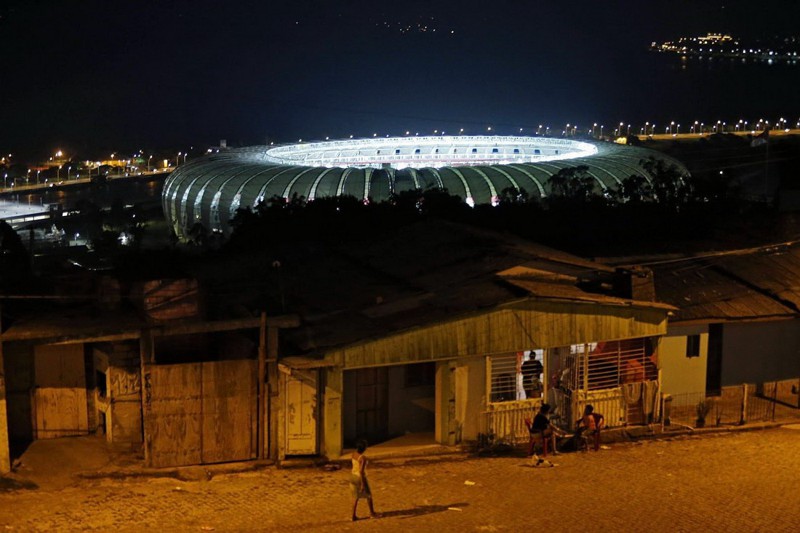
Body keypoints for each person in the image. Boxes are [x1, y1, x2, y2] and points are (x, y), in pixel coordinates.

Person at [350, 440, 379, 521]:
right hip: (360, 477)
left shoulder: (353, 454)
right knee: (369, 496)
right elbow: (361, 471)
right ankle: (372, 513)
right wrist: (363, 483)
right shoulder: (363, 458)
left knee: (355, 497)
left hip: (352, 476)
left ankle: (353, 516)